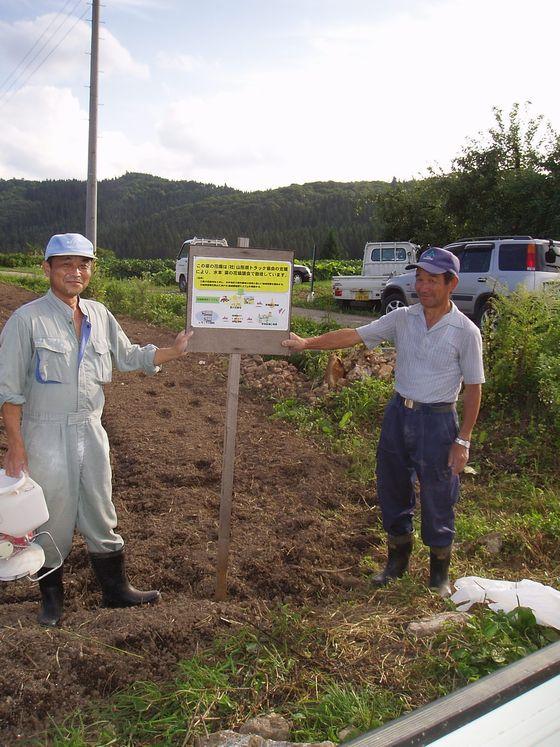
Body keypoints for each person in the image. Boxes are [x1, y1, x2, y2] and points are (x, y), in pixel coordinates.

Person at [0, 233, 192, 626]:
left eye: (84, 264)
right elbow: (10, 390)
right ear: (48, 269)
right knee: (51, 516)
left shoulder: (100, 315)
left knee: (101, 510)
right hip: (45, 435)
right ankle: (52, 601)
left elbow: (128, 355)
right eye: (66, 264)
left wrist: (172, 351)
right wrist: (15, 444)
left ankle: (116, 591)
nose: (76, 272)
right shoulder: (27, 320)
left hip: (91, 429)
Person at [282, 247, 484, 597]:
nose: (422, 287)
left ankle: (439, 574)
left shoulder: (465, 331)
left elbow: (474, 389)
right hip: (398, 414)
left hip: (437, 421)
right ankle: (396, 562)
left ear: (451, 283)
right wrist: (307, 343)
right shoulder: (403, 317)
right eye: (419, 279)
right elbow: (355, 335)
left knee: (438, 494)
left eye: (432, 281)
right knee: (392, 487)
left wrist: (463, 440)